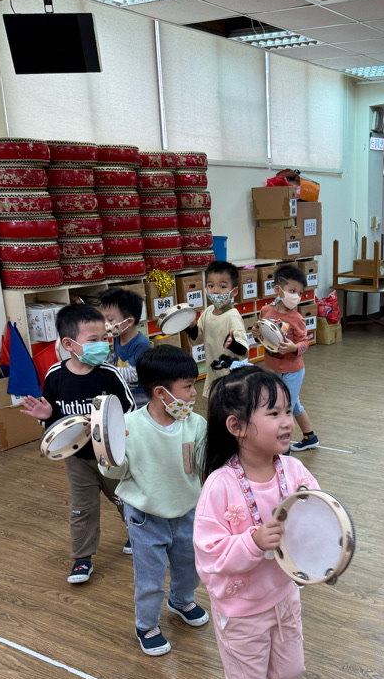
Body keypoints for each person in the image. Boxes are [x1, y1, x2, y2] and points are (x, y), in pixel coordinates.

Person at [193, 365, 319, 679]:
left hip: (284, 595)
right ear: (237, 427)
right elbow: (209, 554)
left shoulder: (293, 471)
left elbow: (316, 514)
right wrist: (253, 541)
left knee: (290, 672)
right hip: (242, 607)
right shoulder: (220, 485)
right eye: (274, 413)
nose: (287, 422)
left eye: (287, 410)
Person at [100, 344, 209, 656]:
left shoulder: (196, 424)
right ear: (161, 392)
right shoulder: (128, 426)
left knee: (190, 567)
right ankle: (146, 625)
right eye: (188, 386)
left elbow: (203, 468)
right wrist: (111, 449)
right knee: (149, 579)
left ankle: (181, 600)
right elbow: (115, 472)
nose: (194, 393)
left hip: (186, 512)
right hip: (145, 518)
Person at [20, 303, 135, 585]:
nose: (103, 345)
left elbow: (130, 411)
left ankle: (138, 534)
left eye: (104, 339)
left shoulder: (110, 374)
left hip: (111, 455)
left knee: (126, 499)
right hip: (77, 460)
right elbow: (55, 425)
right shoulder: (55, 376)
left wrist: (104, 423)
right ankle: (82, 558)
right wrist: (47, 416)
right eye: (93, 340)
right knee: (82, 509)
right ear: (69, 344)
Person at [257, 264, 319, 454]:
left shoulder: (297, 318)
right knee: (294, 405)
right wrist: (256, 335)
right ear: (278, 289)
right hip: (275, 368)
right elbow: (263, 336)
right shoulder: (266, 311)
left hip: (293, 371)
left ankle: (284, 449)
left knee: (285, 408)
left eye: (299, 293)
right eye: (292, 291)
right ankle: (310, 437)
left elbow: (305, 342)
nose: (296, 297)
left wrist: (294, 348)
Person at [184, 260, 249, 398]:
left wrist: (233, 344)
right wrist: (191, 327)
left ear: (234, 291)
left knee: (231, 406)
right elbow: (198, 337)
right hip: (213, 373)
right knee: (215, 405)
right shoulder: (208, 312)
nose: (215, 290)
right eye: (211, 285)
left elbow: (243, 349)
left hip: (232, 377)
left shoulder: (233, 316)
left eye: (223, 286)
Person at [100, 287, 152, 406]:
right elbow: (116, 360)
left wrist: (106, 371)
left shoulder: (141, 344)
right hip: (125, 391)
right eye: (104, 319)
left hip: (140, 397)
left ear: (129, 322)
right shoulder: (117, 337)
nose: (106, 324)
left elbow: (133, 374)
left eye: (110, 320)